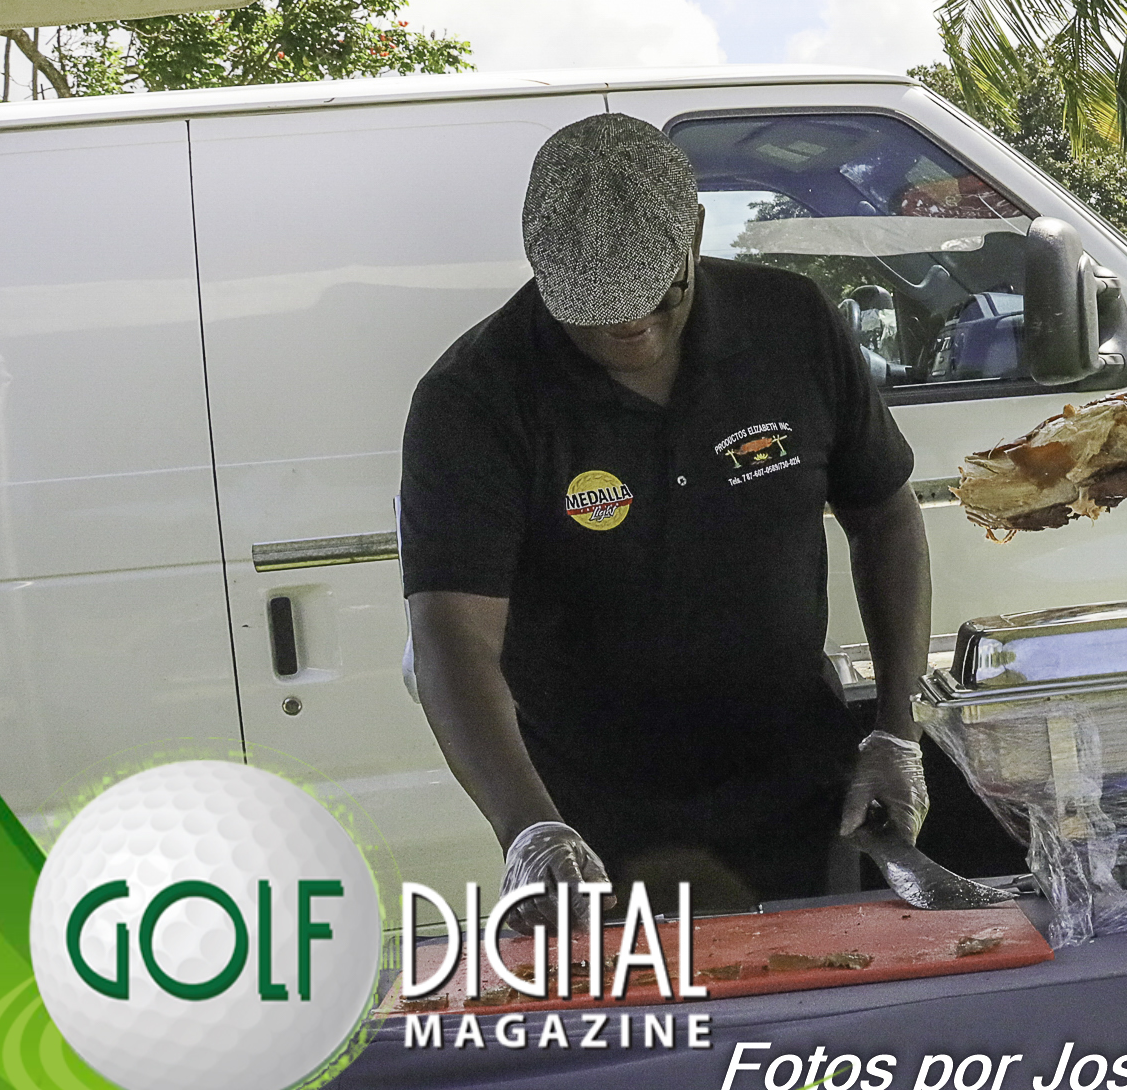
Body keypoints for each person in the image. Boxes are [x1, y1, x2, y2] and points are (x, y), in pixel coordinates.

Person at [399, 113, 934, 917]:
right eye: (591, 310)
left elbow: (884, 513)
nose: (629, 329)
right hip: (592, 816)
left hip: (798, 777)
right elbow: (454, 635)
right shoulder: (474, 398)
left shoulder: (789, 323)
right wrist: (528, 828)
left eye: (658, 295)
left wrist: (896, 728)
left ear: (695, 234)